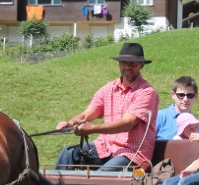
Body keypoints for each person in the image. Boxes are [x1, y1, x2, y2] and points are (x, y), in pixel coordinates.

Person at [54, 42, 160, 171]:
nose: (127, 67)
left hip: (132, 153)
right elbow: (87, 114)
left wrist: (92, 128)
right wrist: (70, 123)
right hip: (105, 146)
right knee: (69, 153)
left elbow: (127, 123)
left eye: (132, 63)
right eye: (123, 62)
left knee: (101, 175)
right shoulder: (108, 88)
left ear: (141, 65)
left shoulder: (146, 92)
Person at [155, 76, 199, 141]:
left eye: (190, 95)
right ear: (173, 95)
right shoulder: (159, 117)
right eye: (181, 95)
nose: (185, 99)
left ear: (196, 96)